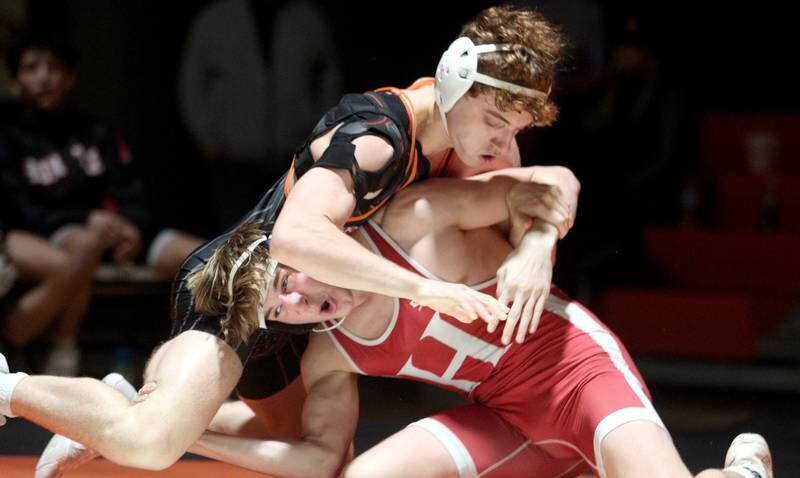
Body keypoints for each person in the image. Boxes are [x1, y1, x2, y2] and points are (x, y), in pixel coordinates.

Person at [2, 6, 578, 473]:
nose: (505, 145)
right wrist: (424, 290)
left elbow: (555, 183)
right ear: (455, 81)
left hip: (313, 312)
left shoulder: (473, 139)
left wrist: (534, 246)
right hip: (242, 290)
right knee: (152, 446)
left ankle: (124, 407)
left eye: (518, 130)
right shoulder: (377, 137)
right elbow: (295, 237)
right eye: (497, 124)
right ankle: (12, 388)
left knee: (322, 459)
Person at [184, 173, 773, 478]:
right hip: (505, 421)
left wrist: (537, 247)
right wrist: (187, 435)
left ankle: (741, 469)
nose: (293, 306)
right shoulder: (330, 352)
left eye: (285, 283)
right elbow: (317, 459)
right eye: (276, 312)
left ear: (306, 248)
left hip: (579, 376)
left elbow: (549, 184)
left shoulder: (405, 225)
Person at [0, 30, 203, 376]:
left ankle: (221, 349)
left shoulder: (96, 130)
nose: (44, 77)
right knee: (85, 243)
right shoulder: (9, 133)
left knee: (208, 255)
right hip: (57, 235)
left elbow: (134, 188)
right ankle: (61, 345)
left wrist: (131, 228)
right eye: (32, 68)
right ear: (16, 80)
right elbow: (19, 208)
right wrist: (87, 218)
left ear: (70, 77)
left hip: (121, 234)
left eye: (54, 67)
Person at [178, 0, 343, 229]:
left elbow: (328, 75)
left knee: (290, 226)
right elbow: (192, 83)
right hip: (233, 153)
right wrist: (207, 137)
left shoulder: (306, 19)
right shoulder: (216, 19)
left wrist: (320, 128)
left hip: (294, 151)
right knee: (235, 230)